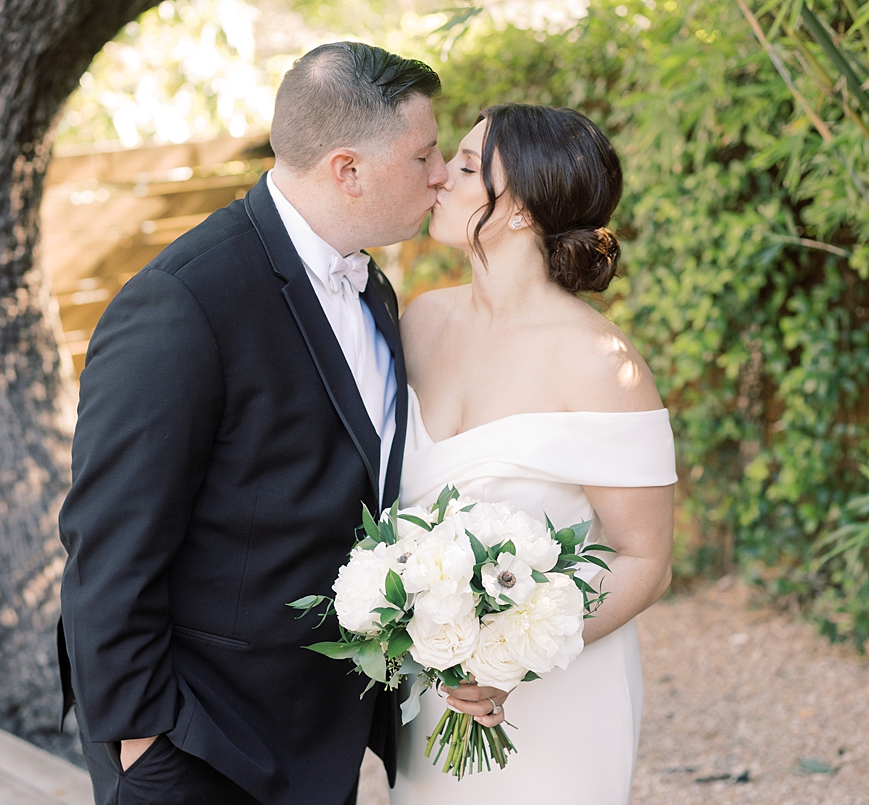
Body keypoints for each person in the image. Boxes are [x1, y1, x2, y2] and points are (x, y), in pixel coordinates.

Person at [57, 43, 448, 805]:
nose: (440, 174)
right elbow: (107, 547)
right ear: (348, 169)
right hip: (201, 745)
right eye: (425, 155)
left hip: (316, 739)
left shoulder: (372, 289)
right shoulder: (182, 302)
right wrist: (145, 745)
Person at [392, 104, 677, 803]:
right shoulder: (419, 321)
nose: (436, 179)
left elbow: (645, 559)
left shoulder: (598, 361)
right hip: (435, 685)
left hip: (556, 691)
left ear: (520, 210)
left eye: (463, 167)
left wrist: (509, 659)